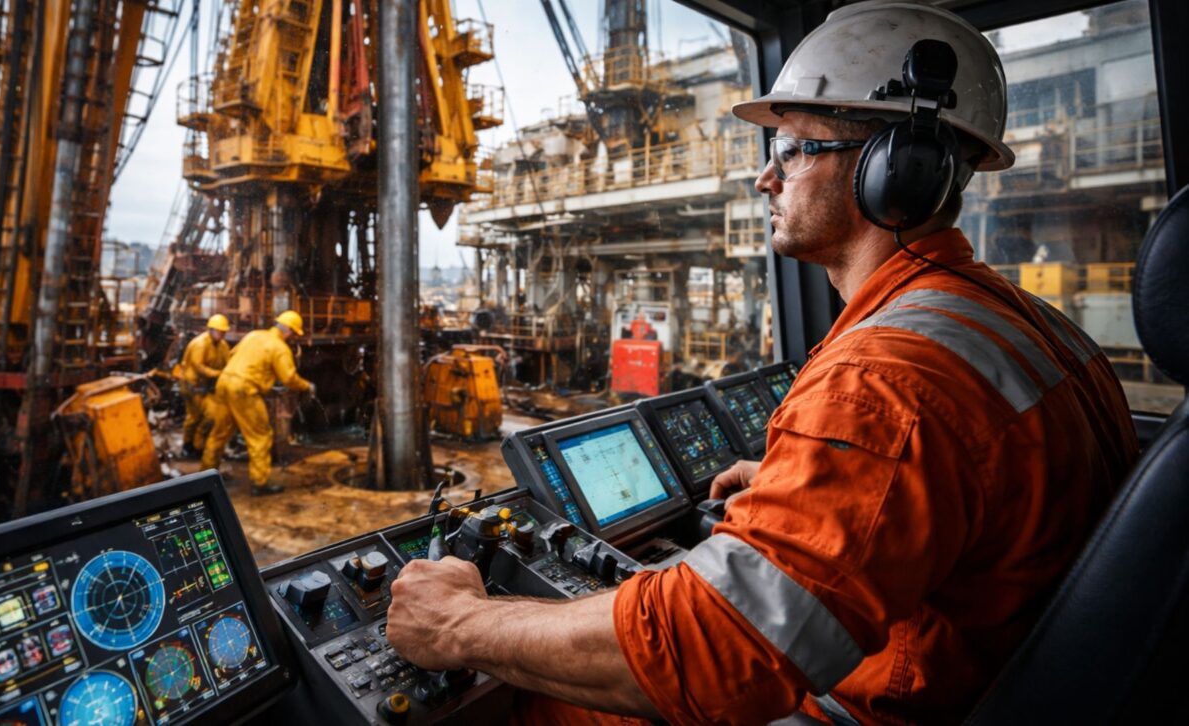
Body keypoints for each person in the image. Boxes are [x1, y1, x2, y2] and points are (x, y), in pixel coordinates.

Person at [384, 4, 1139, 724]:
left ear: (892, 171)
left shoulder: (882, 379)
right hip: (988, 684)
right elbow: (951, 489)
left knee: (535, 706)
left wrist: (460, 624)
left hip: (878, 709)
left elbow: (712, 650)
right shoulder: (1035, 325)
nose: (764, 178)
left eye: (792, 150)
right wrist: (812, 483)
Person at [201, 310, 315, 496]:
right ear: (288, 331)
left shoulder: (254, 335)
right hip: (244, 390)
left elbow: (232, 354)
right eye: (294, 334)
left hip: (224, 382)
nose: (294, 338)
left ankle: (204, 477)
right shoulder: (280, 347)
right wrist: (307, 386)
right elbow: (289, 378)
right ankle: (259, 483)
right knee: (260, 436)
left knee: (219, 434)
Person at [179, 314, 232, 457]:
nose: (222, 334)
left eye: (224, 332)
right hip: (192, 386)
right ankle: (187, 445)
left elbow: (228, 363)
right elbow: (198, 366)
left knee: (211, 416)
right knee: (194, 416)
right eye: (220, 331)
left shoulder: (222, 345)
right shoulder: (200, 344)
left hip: (205, 386)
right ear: (211, 330)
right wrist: (218, 374)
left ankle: (198, 444)